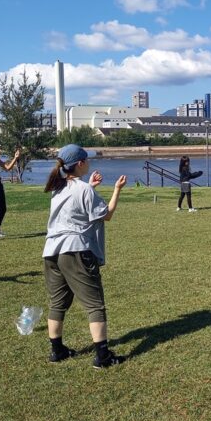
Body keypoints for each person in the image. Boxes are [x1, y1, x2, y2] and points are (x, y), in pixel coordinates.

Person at [42, 144, 128, 369]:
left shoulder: (58, 188)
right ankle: (102, 357)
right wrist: (117, 189)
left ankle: (57, 350)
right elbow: (106, 215)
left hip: (51, 251)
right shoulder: (83, 190)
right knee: (94, 305)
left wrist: (90, 186)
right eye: (86, 160)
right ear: (80, 163)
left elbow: (76, 207)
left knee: (58, 303)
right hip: (76, 250)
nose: (89, 163)